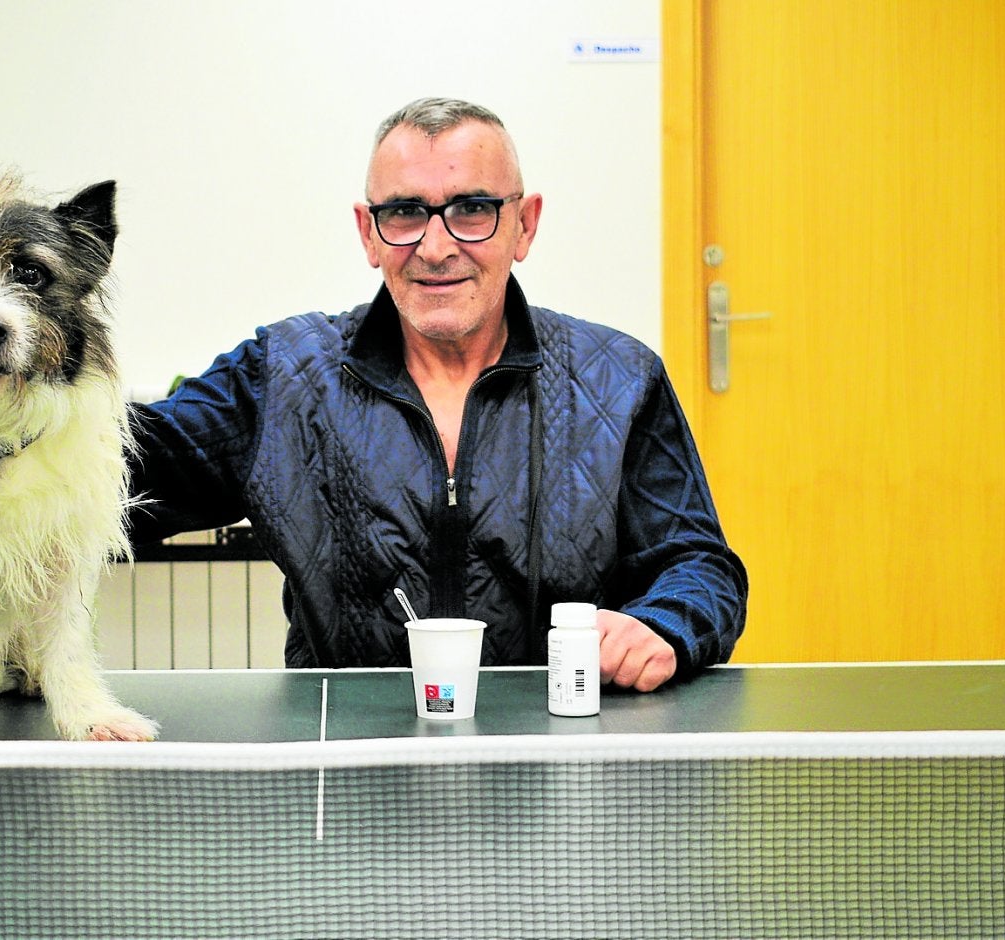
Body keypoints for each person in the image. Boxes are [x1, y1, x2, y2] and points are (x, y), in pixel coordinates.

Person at [128, 97, 746, 691]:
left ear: (524, 225)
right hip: (351, 768)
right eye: (404, 213)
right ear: (369, 234)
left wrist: (662, 626)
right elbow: (117, 471)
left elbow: (699, 567)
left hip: (560, 762)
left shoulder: (619, 380)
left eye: (471, 209)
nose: (436, 246)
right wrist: (42, 363)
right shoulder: (283, 375)